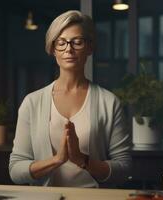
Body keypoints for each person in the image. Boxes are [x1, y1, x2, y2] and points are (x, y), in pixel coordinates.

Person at [9, 10, 132, 188]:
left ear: (89, 48)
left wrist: (82, 160)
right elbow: (15, 170)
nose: (69, 49)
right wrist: (56, 160)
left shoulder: (109, 102)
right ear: (52, 49)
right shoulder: (32, 102)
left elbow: (124, 168)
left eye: (77, 42)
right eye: (61, 42)